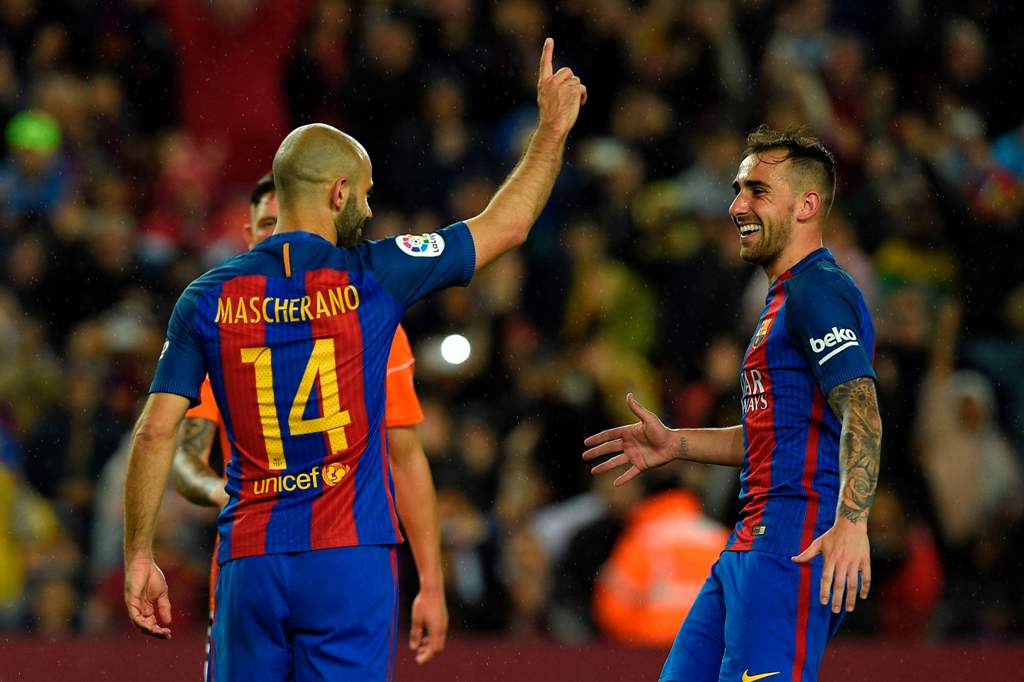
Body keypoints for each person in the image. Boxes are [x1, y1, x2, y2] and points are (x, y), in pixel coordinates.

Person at [123, 37, 585, 680]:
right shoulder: (375, 276)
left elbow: (154, 433)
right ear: (339, 193)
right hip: (349, 556)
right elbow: (505, 225)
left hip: (251, 557)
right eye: (364, 194)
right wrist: (552, 129)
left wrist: (138, 554)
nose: (369, 208)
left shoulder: (206, 296)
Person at [584, 126, 882, 682]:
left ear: (806, 205)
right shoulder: (782, 299)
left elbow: (862, 405)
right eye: (737, 189)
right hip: (750, 538)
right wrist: (678, 443)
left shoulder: (819, 291)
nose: (736, 205)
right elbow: (778, 432)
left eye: (757, 190)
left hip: (794, 540)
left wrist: (853, 521)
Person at [169, 173, 448, 669]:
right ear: (249, 236)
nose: (280, 235)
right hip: (259, 569)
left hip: (313, 563)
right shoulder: (226, 327)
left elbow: (404, 456)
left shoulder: (373, 322)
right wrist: (223, 492)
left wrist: (430, 581)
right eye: (268, 224)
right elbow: (186, 457)